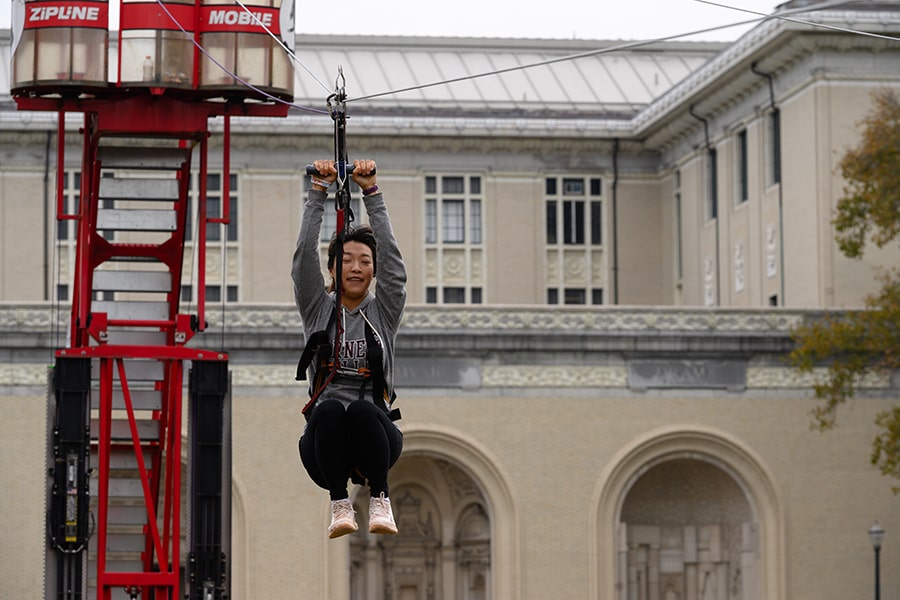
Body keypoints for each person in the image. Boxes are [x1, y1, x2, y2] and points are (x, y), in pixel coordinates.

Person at [292, 158, 407, 539]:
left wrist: (371, 191)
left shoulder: (383, 311)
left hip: (374, 437)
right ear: (332, 270)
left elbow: (394, 262)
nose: (356, 268)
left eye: (365, 262)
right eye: (347, 261)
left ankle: (380, 498)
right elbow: (301, 259)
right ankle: (339, 504)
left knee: (360, 409)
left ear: (373, 270)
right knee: (327, 412)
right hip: (326, 449)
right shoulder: (318, 309)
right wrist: (317, 193)